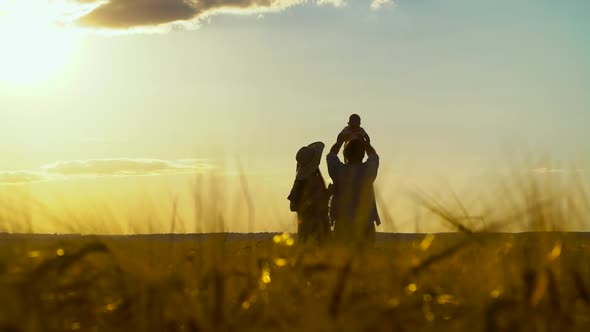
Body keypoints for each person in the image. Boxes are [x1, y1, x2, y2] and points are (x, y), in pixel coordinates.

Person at [326, 131, 380, 244]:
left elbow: (331, 155)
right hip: (366, 223)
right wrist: (364, 141)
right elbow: (374, 156)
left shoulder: (338, 171)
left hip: (342, 223)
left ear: (345, 154)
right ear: (363, 154)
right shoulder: (367, 171)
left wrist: (340, 140)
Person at [288, 142, 332, 243]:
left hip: (305, 231)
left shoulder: (299, 182)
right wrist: (327, 194)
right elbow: (320, 204)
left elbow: (293, 206)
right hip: (319, 230)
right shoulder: (314, 181)